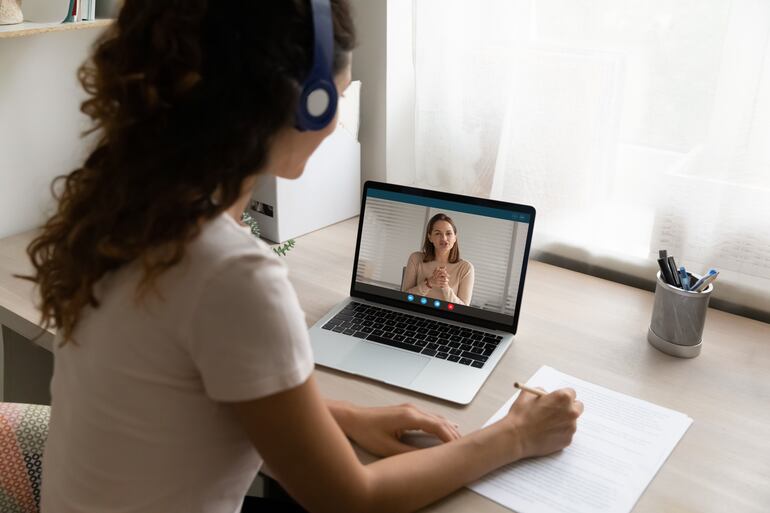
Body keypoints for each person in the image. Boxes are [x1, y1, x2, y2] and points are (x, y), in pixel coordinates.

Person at [27, 1, 583, 512]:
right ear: (306, 100)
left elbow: (197, 383)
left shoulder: (129, 210)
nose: (336, 116)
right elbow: (350, 499)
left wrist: (341, 415)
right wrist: (515, 434)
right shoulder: (230, 274)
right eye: (337, 97)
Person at [402, 213, 474, 305]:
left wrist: (445, 287)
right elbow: (404, 298)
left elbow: (464, 309)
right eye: (437, 233)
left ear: (455, 237)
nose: (444, 238)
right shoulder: (415, 258)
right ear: (430, 237)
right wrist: (429, 283)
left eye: (448, 233)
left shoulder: (466, 268)